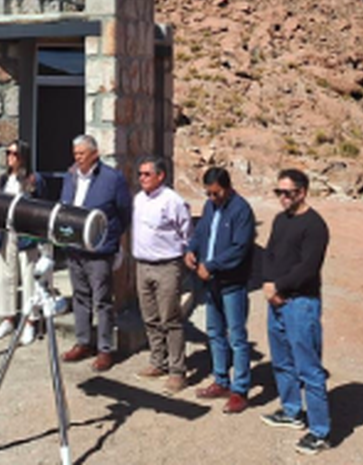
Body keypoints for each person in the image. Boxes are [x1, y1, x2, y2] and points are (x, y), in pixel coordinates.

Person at [260, 168, 332, 455]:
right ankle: (291, 410)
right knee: (281, 360)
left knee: (309, 368)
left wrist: (279, 286)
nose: (282, 198)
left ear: (302, 192)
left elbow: (308, 267)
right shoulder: (281, 220)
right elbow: (270, 253)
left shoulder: (315, 226)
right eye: (278, 192)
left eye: (287, 193)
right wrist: (268, 283)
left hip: (301, 303)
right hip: (276, 300)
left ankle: (319, 431)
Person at [185, 166, 255, 414]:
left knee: (236, 337)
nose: (212, 198)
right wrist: (191, 249)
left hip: (232, 283)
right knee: (214, 333)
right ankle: (221, 380)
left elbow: (239, 248)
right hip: (211, 283)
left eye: (216, 193)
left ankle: (240, 389)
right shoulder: (210, 207)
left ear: (226, 188)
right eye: (208, 194)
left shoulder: (241, 211)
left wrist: (212, 265)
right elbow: (201, 231)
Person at [59, 135, 132, 372]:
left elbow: (124, 214)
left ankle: (104, 349)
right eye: (75, 153)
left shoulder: (112, 179)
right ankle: (83, 342)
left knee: (102, 301)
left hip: (99, 251)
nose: (77, 157)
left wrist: (113, 241)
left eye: (81, 153)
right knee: (80, 297)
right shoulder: (70, 177)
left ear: (94, 154)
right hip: (74, 248)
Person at [132, 156, 192, 393]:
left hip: (167, 266)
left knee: (171, 320)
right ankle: (158, 362)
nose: (142, 178)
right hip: (142, 265)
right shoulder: (138, 199)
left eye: (147, 174)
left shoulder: (173, 201)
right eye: (140, 174)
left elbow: (186, 232)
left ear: (161, 176)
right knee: (150, 317)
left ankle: (178, 371)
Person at [0, 140, 42, 346]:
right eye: (8, 152)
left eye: (14, 153)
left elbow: (41, 206)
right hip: (6, 231)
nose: (10, 157)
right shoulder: (4, 179)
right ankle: (8, 318)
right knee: (5, 275)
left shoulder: (33, 179)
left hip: (25, 233)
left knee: (28, 277)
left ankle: (30, 321)